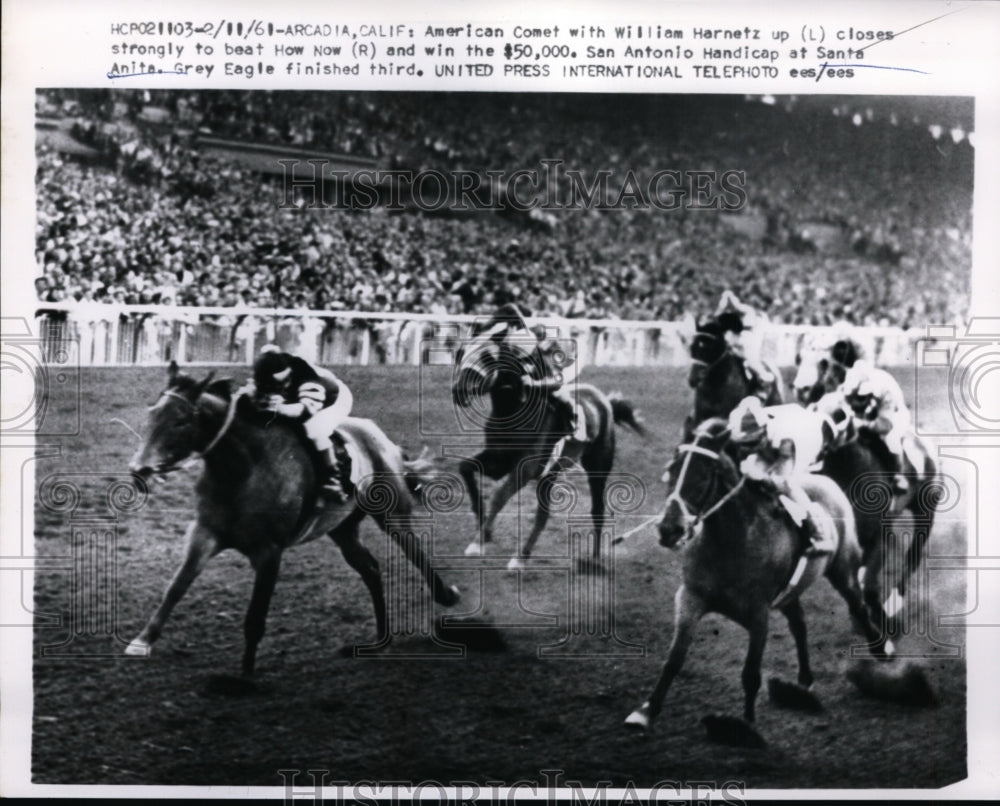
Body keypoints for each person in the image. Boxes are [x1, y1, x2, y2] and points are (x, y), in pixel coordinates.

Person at [728, 396, 836, 601]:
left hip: (803, 439)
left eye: (752, 442)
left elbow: (784, 481)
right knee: (751, 470)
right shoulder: (744, 422)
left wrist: (762, 477)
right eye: (745, 443)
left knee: (786, 487)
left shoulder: (785, 439)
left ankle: (818, 532)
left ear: (763, 431)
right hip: (783, 429)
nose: (748, 447)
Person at [487, 303, 586, 470]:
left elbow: (556, 380)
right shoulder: (523, 334)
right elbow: (508, 309)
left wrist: (535, 383)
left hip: (570, 362)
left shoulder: (551, 346)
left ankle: (575, 421)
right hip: (545, 346)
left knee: (557, 394)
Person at [249, 345, 354, 503]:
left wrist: (280, 408)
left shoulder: (306, 375)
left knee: (314, 428)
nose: (280, 388)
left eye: (284, 382)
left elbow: (305, 411)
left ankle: (333, 479)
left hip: (331, 400)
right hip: (297, 400)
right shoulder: (265, 374)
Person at [837, 358, 914, 494]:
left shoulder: (885, 392)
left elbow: (885, 425)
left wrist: (862, 423)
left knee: (891, 439)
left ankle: (896, 476)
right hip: (870, 414)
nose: (855, 401)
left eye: (861, 397)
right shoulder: (848, 386)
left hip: (894, 415)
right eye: (853, 397)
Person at [714, 289, 775, 396]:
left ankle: (764, 377)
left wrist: (730, 296)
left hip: (749, 338)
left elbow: (737, 306)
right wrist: (724, 299)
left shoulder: (751, 311)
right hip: (740, 337)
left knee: (750, 360)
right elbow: (718, 312)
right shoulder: (737, 314)